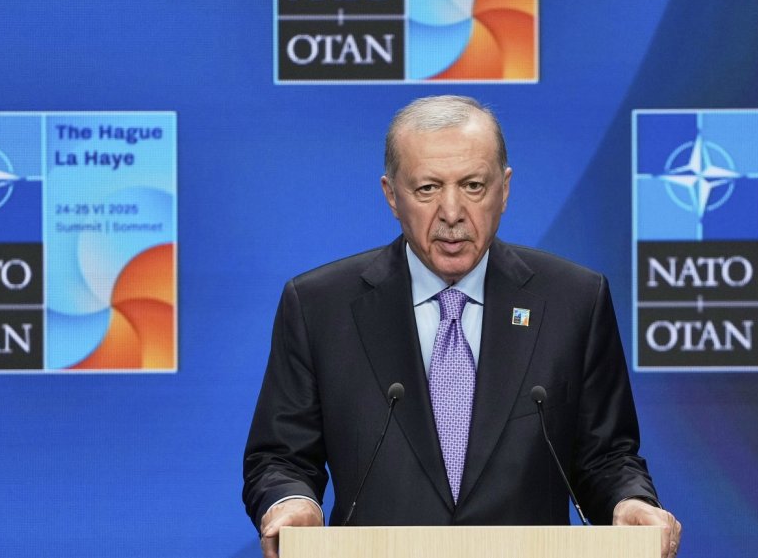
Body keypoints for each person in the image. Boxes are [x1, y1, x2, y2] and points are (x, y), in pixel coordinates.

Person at [243, 95, 681, 558]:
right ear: (391, 195)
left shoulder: (574, 300)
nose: (452, 213)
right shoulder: (320, 306)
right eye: (428, 189)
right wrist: (292, 504)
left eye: (473, 185)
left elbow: (606, 457)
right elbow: (280, 456)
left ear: (504, 189)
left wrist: (629, 502)